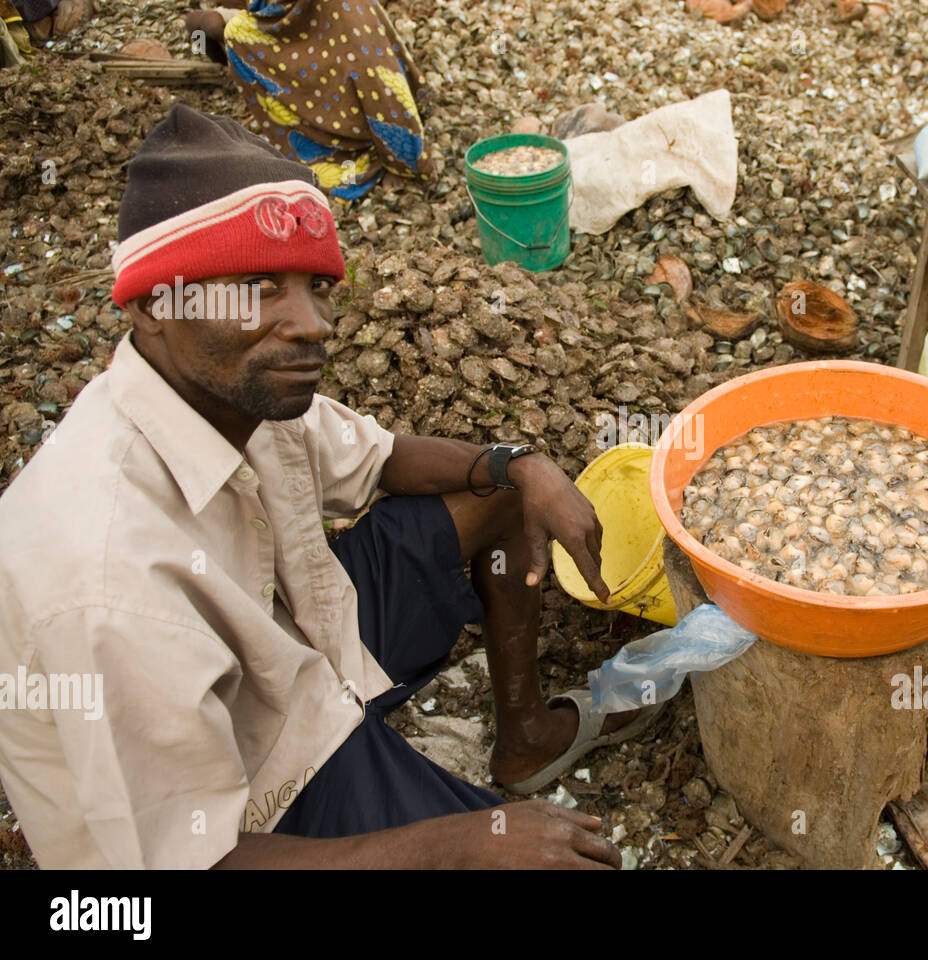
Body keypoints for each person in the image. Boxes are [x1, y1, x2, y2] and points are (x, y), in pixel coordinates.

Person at [0, 104, 660, 869]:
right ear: (155, 305)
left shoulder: (238, 390)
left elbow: (382, 459)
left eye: (316, 286)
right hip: (254, 793)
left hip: (297, 651)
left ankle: (525, 739)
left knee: (504, 495)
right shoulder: (103, 574)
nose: (311, 323)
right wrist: (458, 842)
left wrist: (521, 464)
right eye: (257, 286)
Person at [208, 0, 437, 198]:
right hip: (298, 45)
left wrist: (414, 162)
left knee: (214, 28)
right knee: (213, 27)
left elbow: (381, 86)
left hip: (351, 117)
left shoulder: (345, 13)